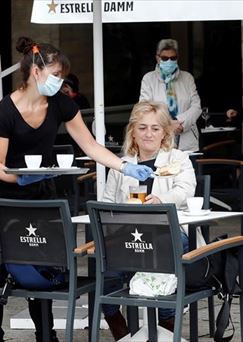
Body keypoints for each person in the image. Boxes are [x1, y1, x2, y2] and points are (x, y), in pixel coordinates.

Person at [0, 36, 153, 342]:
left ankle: (46, 335)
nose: (60, 81)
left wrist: (124, 165)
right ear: (36, 72)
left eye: (61, 75)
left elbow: (89, 144)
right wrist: (20, 178)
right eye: (56, 74)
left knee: (45, 264)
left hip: (42, 195)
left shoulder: (60, 102)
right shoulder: (4, 112)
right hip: (4, 197)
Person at [99, 101, 201, 339]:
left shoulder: (178, 159)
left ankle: (165, 326)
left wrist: (161, 199)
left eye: (155, 128)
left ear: (165, 132)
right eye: (142, 127)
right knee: (105, 254)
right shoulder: (121, 165)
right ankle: (117, 323)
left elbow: (186, 190)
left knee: (166, 249)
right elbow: (107, 203)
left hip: (169, 232)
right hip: (128, 233)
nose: (148, 134)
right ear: (132, 130)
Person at [140, 38, 202, 152]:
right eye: (165, 58)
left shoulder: (187, 78)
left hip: (187, 140)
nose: (169, 61)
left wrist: (180, 123)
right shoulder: (149, 79)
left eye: (173, 58)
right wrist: (168, 125)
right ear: (157, 58)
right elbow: (145, 108)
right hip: (159, 140)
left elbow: (196, 107)